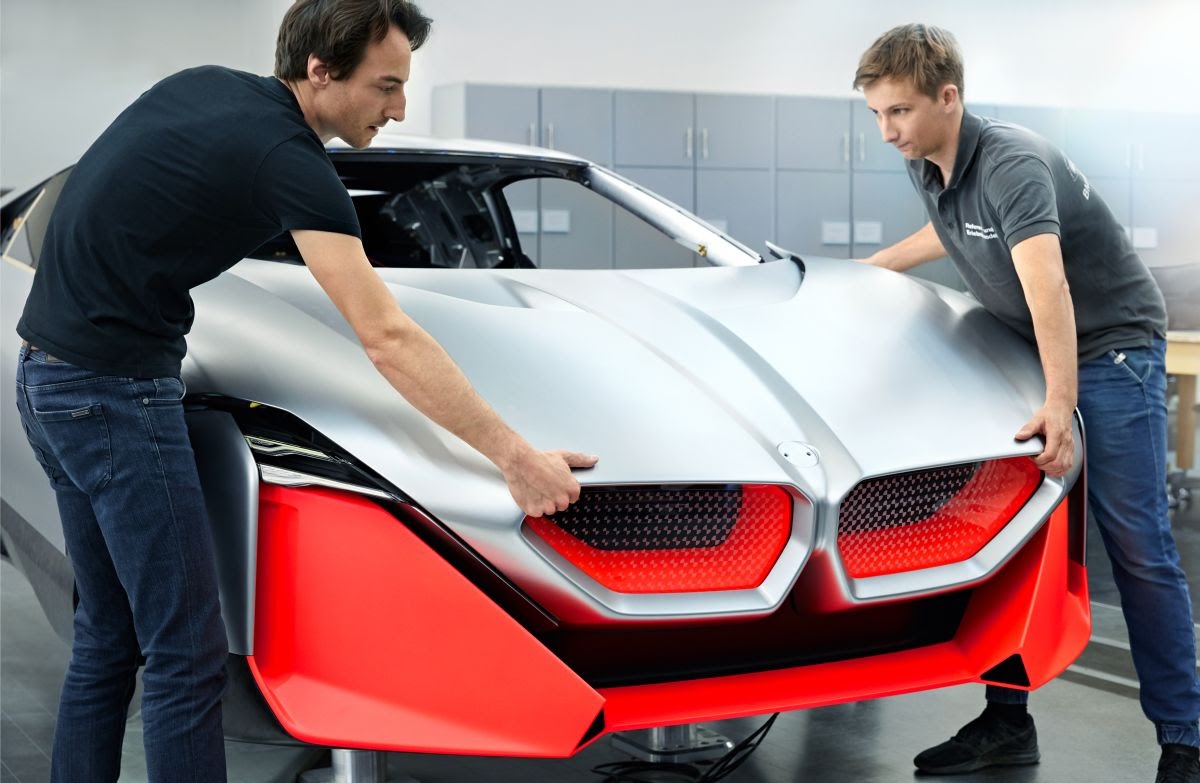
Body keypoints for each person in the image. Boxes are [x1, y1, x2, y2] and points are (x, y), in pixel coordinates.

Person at [12, 1, 597, 781]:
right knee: (187, 650)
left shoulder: (207, 88)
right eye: (386, 85)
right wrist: (516, 457)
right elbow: (386, 337)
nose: (399, 107)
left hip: (45, 375)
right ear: (320, 70)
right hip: (113, 396)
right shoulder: (290, 160)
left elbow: (136, 203)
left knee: (108, 633)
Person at [852, 23, 1199, 783]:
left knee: (1137, 545)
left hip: (1111, 349)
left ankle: (1185, 739)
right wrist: (869, 268)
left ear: (949, 97)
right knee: (1014, 539)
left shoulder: (1011, 163)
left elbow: (1049, 287)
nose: (887, 132)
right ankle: (1007, 722)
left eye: (899, 111)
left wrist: (1059, 403)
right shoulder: (927, 160)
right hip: (1032, 351)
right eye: (877, 113)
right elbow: (950, 231)